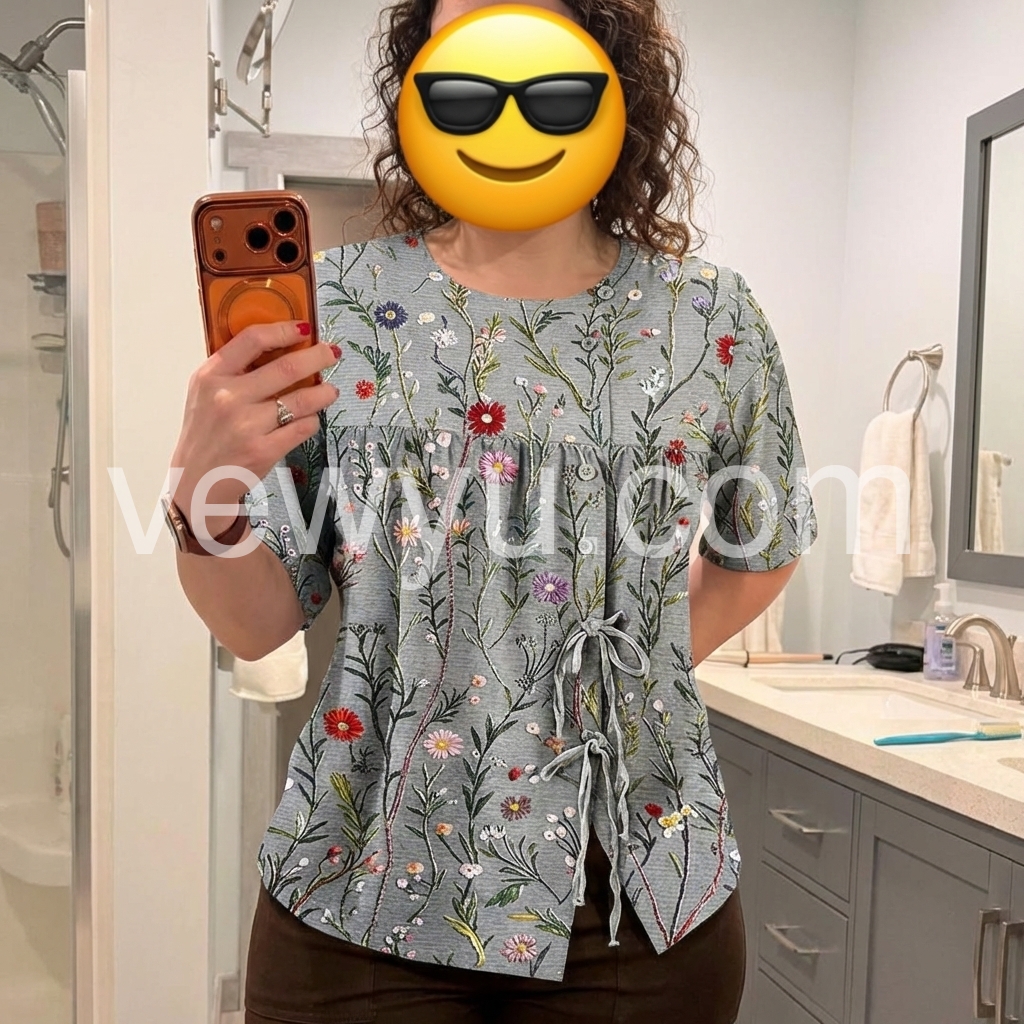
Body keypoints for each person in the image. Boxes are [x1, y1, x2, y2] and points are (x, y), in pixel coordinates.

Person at [168, 0, 817, 1021]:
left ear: (609, 85)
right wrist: (202, 494)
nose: (507, 103)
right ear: (421, 93)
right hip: (361, 884)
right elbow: (258, 623)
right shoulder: (338, 308)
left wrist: (625, 667)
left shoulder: (709, 316)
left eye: (545, 78)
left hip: (635, 901)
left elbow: (760, 548)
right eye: (466, 78)